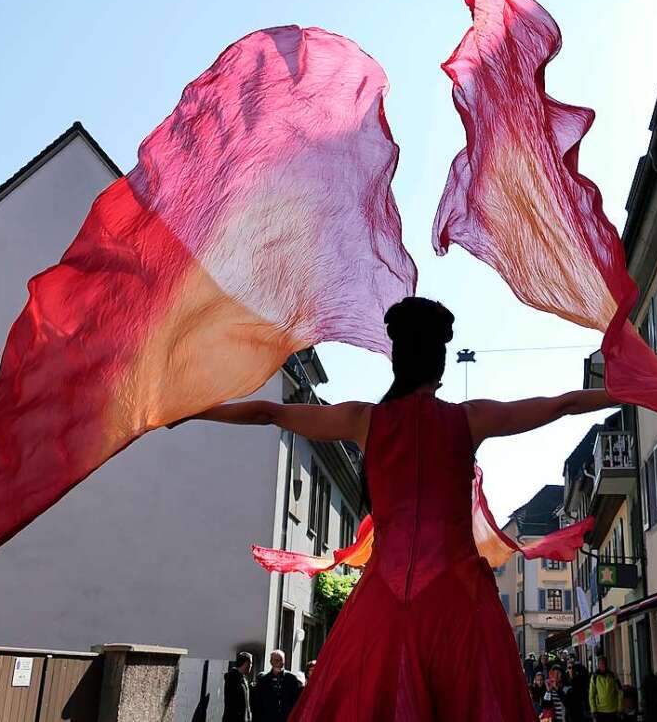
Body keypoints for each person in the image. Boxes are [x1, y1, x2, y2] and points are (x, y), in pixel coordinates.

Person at [178, 297, 615, 720]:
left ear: (396, 360)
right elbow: (564, 404)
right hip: (459, 602)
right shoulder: (469, 419)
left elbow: (268, 413)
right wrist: (633, 394)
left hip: (384, 600)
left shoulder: (364, 420)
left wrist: (190, 411)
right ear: (440, 365)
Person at [251, 650, 302, 722]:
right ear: (271, 661)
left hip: (286, 717)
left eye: (281, 659)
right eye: (276, 660)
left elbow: (296, 700)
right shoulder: (263, 680)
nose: (278, 662)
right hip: (268, 717)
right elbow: (257, 703)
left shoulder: (291, 679)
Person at [588, 656, 622, 722]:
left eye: (604, 663)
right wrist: (593, 710)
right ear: (598, 665)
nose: (603, 665)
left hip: (613, 710)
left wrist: (619, 708)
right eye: (601, 663)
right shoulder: (594, 677)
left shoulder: (613, 676)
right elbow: (591, 695)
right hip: (600, 710)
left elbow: (620, 692)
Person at [223, 652, 254, 722]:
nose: (251, 665)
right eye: (251, 663)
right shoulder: (233, 677)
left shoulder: (242, 678)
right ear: (246, 663)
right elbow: (233, 702)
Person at [566, 657, 590, 721]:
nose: (571, 669)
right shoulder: (565, 677)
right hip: (570, 706)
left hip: (580, 703)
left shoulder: (579, 675)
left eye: (572, 667)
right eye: (569, 668)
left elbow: (582, 688)